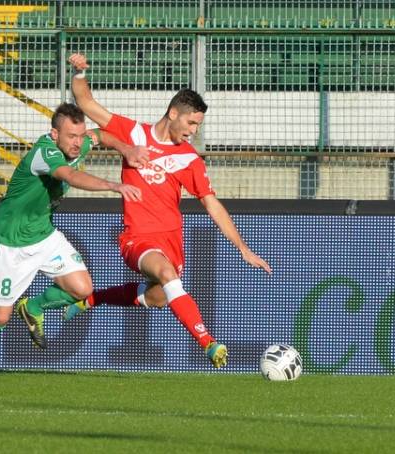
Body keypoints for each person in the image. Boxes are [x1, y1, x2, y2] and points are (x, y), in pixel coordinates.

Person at [63, 53, 273, 369]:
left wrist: (242, 247)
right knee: (166, 275)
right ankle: (209, 343)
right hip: (138, 239)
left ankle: (91, 299)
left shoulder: (189, 159)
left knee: (159, 296)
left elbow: (211, 203)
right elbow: (87, 103)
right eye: (190, 123)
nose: (192, 131)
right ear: (173, 113)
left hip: (172, 241)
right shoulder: (134, 135)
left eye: (197, 126)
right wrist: (78, 73)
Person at [0, 102, 147, 377]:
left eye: (80, 135)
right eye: (71, 136)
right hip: (10, 240)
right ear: (54, 134)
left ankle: (33, 307)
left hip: (44, 235)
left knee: (83, 289)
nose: (78, 143)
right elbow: (70, 175)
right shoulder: (44, 153)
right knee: (0, 316)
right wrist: (114, 185)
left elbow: (101, 135)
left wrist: (128, 149)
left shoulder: (79, 143)